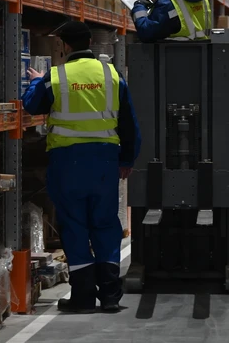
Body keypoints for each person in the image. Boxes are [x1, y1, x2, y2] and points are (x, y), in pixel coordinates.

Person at [22, 21, 141, 314]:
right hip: (105, 161)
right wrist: (127, 160)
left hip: (68, 162)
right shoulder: (112, 75)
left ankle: (83, 297)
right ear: (90, 42)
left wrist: (36, 81)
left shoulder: (55, 76)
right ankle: (110, 295)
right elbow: (129, 123)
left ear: (64, 46)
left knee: (74, 226)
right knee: (105, 224)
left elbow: (32, 106)